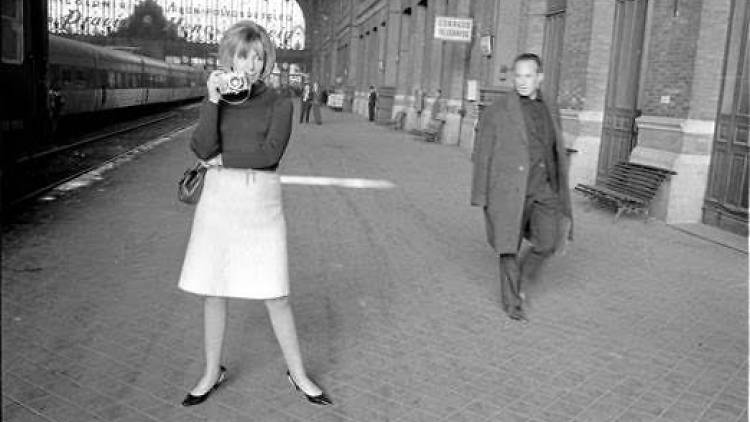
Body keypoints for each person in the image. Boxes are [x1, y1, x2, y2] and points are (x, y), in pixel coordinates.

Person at [178, 20, 332, 407]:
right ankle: (212, 371)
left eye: (259, 56)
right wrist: (211, 100)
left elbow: (269, 155)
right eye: (244, 55)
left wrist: (221, 159)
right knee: (214, 291)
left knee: (275, 294)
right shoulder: (218, 98)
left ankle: (298, 373)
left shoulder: (280, 102)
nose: (251, 63)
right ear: (229, 57)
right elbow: (200, 146)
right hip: (218, 205)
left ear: (267, 62)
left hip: (260, 205)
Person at [470, 53, 573, 322]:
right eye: (518, 76)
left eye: (528, 76)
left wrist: (558, 183)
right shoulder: (498, 110)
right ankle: (512, 303)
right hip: (509, 189)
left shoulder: (550, 106)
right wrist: (481, 194)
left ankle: (522, 278)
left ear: (540, 77)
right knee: (508, 247)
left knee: (549, 242)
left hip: (544, 188)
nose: (523, 81)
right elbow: (482, 153)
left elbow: (555, 147)